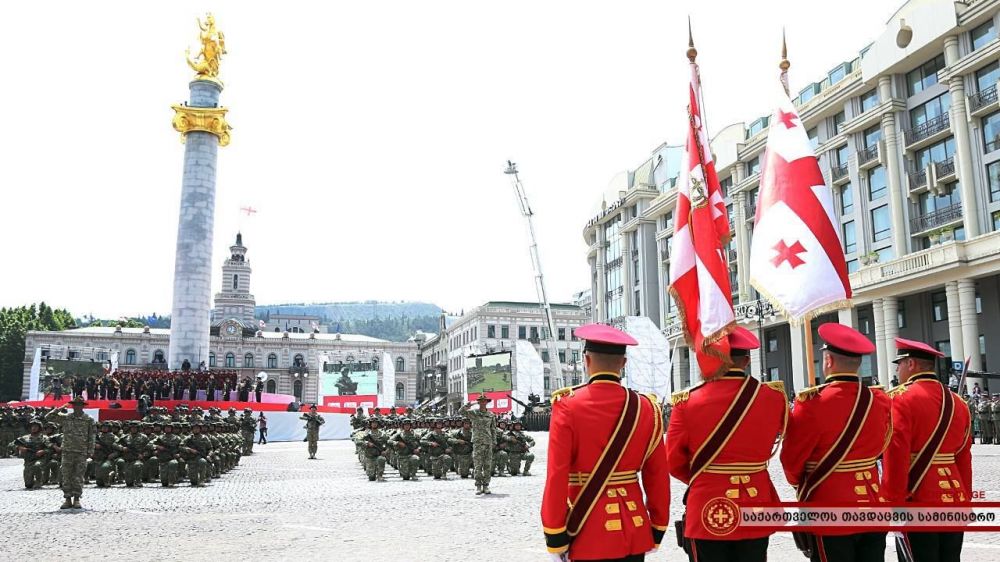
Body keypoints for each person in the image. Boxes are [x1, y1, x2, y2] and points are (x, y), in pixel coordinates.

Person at [542, 323, 669, 562]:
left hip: (586, 529)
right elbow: (658, 475)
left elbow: (556, 475)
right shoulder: (647, 408)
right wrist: (658, 525)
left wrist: (555, 533)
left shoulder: (567, 405)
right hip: (634, 526)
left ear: (586, 360)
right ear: (623, 363)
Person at [669, 326, 786, 562]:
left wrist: (706, 478)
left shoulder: (688, 402)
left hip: (708, 502)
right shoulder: (773, 398)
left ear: (712, 357)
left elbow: (673, 461)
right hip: (756, 502)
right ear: (746, 361)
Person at [780, 323, 891, 562]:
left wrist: (801, 484)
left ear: (828, 360)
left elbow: (791, 461)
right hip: (873, 503)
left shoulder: (811, 404)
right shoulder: (879, 400)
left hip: (830, 506)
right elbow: (883, 445)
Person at [883, 338, 972, 562]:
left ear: (911, 364)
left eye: (899, 364)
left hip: (918, 498)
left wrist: (894, 503)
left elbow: (896, 455)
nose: (897, 370)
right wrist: (966, 500)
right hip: (954, 498)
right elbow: (964, 458)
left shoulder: (900, 399)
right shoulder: (958, 403)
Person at [45, 396, 95, 509]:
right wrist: (60, 408)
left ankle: (77, 498)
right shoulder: (66, 417)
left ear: (83, 406)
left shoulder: (88, 419)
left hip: (81, 451)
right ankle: (67, 498)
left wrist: (90, 450)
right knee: (66, 475)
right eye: (75, 405)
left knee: (78, 476)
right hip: (67, 451)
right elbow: (48, 417)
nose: (77, 407)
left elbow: (92, 436)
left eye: (79, 405)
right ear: (72, 406)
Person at [460, 393, 497, 495]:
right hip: (477, 442)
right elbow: (461, 412)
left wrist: (494, 441)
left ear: (487, 402)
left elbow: (493, 429)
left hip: (488, 442)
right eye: (481, 401)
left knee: (487, 465)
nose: (483, 403)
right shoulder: (474, 413)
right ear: (478, 402)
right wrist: (468, 405)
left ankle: (486, 485)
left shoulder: (491, 415)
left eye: (484, 401)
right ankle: (478, 486)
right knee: (478, 465)